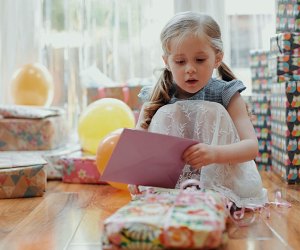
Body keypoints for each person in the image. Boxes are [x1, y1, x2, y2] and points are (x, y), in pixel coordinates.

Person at [132, 11, 268, 208]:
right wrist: (135, 175)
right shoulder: (156, 95)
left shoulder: (227, 93)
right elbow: (138, 147)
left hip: (220, 183)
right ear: (167, 62)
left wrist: (214, 153)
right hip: (169, 187)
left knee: (212, 110)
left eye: (200, 60)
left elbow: (251, 147)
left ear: (217, 58)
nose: (190, 69)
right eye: (180, 61)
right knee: (164, 113)